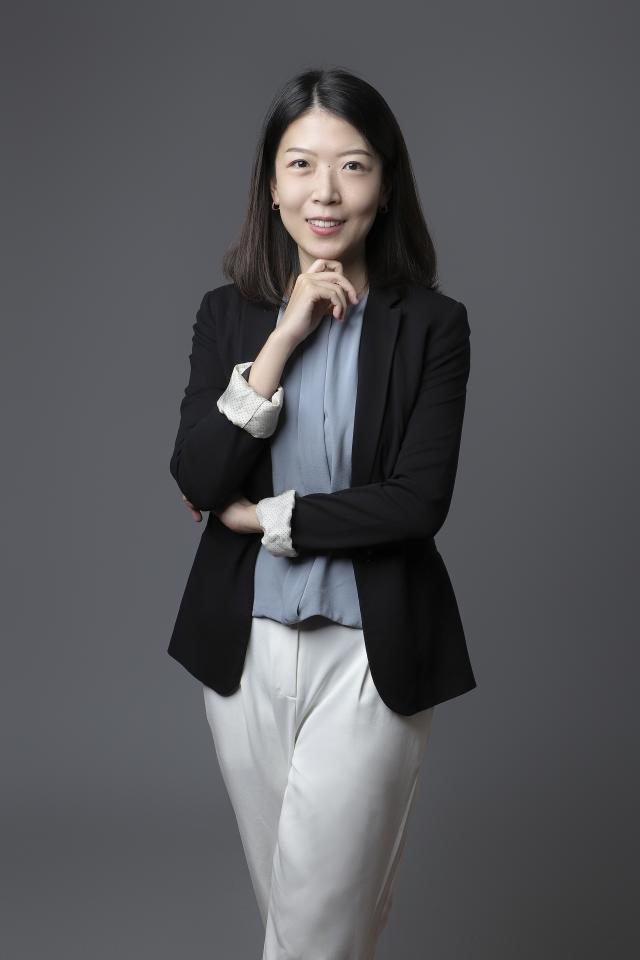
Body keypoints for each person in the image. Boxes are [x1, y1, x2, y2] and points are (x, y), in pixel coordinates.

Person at [168, 66, 477, 959]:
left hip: (371, 654)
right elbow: (198, 474)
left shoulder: (433, 326)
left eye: (353, 165)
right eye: (301, 164)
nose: (326, 192)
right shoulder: (227, 318)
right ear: (271, 185)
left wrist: (265, 519)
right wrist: (284, 337)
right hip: (243, 652)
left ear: (387, 182)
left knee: (312, 930)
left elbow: (416, 503)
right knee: (314, 924)